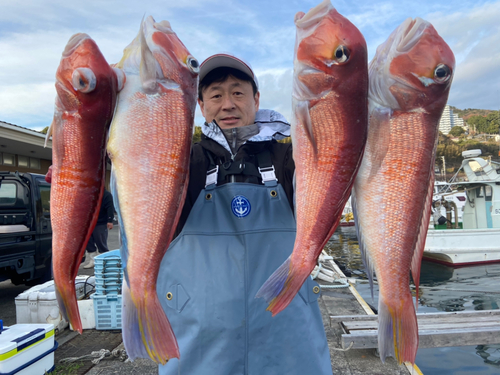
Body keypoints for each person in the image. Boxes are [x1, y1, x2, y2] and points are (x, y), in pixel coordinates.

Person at [157, 54, 332, 374]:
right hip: (198, 348)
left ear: (256, 99)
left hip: (290, 344)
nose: (227, 104)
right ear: (200, 104)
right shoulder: (181, 162)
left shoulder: (290, 157)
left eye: (238, 92)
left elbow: (341, 163)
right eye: (216, 94)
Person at [83, 189, 115, 269]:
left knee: (101, 242)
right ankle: (92, 260)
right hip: (87, 222)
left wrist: (110, 220)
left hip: (101, 222)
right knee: (88, 242)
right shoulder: (88, 193)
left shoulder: (106, 194)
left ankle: (105, 261)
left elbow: (110, 207)